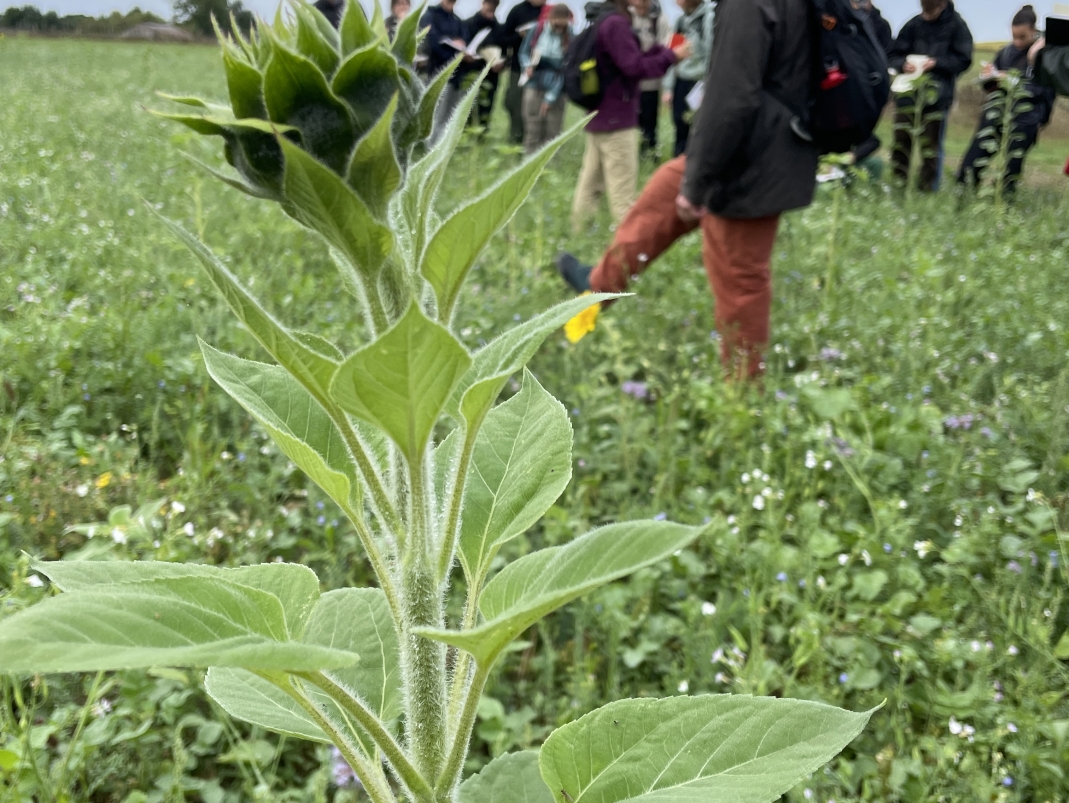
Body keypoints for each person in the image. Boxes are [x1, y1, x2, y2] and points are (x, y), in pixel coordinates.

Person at [559, 0, 817, 380]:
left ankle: (743, 396)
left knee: (740, 278)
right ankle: (599, 286)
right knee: (662, 191)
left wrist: (697, 185)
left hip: (751, 152)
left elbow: (732, 96)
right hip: (749, 141)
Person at [570, 0, 687, 230]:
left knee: (590, 184)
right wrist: (672, 58)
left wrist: (663, 52)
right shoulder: (616, 24)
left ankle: (579, 233)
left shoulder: (605, 19)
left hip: (600, 115)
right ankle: (627, 256)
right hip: (617, 120)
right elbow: (633, 66)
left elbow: (633, 56)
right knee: (623, 193)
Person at [958, 6, 1054, 193]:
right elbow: (991, 86)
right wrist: (989, 77)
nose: (1017, 42)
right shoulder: (1006, 52)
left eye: (1022, 37)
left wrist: (1011, 80)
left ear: (1034, 30)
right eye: (1014, 36)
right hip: (995, 113)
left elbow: (1043, 90)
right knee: (973, 160)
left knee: (1011, 168)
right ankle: (964, 195)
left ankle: (1005, 206)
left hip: (1026, 119)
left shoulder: (1046, 55)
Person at [887, 0, 973, 192]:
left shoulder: (957, 26)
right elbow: (892, 54)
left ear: (942, 5)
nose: (926, 15)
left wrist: (936, 63)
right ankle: (898, 186)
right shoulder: (913, 24)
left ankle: (926, 191)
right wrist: (902, 64)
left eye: (930, 11)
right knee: (901, 142)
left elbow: (963, 60)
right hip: (908, 95)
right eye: (923, 10)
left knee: (931, 148)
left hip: (937, 97)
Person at [661, 0, 714, 158]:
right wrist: (668, 88)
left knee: (698, 128)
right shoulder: (680, 21)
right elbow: (673, 56)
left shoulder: (708, 17)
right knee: (679, 124)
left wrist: (707, 85)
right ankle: (678, 168)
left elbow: (712, 55)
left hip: (698, 82)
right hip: (681, 82)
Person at [519, 4, 572, 153]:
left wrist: (551, 98)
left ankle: (551, 171)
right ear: (550, 18)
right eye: (557, 24)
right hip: (534, 84)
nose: (560, 28)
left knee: (552, 133)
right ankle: (528, 165)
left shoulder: (571, 35)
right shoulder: (537, 30)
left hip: (557, 88)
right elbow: (523, 52)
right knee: (532, 129)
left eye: (563, 25)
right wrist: (527, 66)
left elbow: (566, 68)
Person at [497, 0, 548, 144]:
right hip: (518, 68)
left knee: (536, 106)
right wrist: (519, 36)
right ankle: (516, 138)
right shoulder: (517, 11)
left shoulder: (548, 11)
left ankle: (533, 141)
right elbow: (503, 38)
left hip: (541, 68)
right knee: (513, 102)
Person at [421, 0, 472, 138]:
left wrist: (462, 53)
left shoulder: (457, 20)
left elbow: (465, 40)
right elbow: (433, 43)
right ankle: (430, 151)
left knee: (449, 117)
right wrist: (455, 52)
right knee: (436, 116)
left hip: (456, 75)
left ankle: (441, 149)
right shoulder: (430, 16)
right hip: (438, 74)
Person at [630, 0, 672, 159]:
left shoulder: (659, 19)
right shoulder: (627, 16)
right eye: (637, 6)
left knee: (649, 122)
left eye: (643, 6)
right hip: (630, 82)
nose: (640, 9)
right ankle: (632, 154)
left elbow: (665, 48)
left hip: (651, 82)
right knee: (631, 122)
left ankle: (650, 153)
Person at [462, 0, 503, 133]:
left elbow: (505, 48)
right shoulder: (469, 24)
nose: (491, 7)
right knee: (467, 107)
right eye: (489, 3)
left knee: (486, 107)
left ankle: (482, 136)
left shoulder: (498, 27)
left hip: (491, 75)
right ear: (483, 3)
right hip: (471, 71)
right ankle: (466, 134)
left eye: (494, 4)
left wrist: (502, 63)